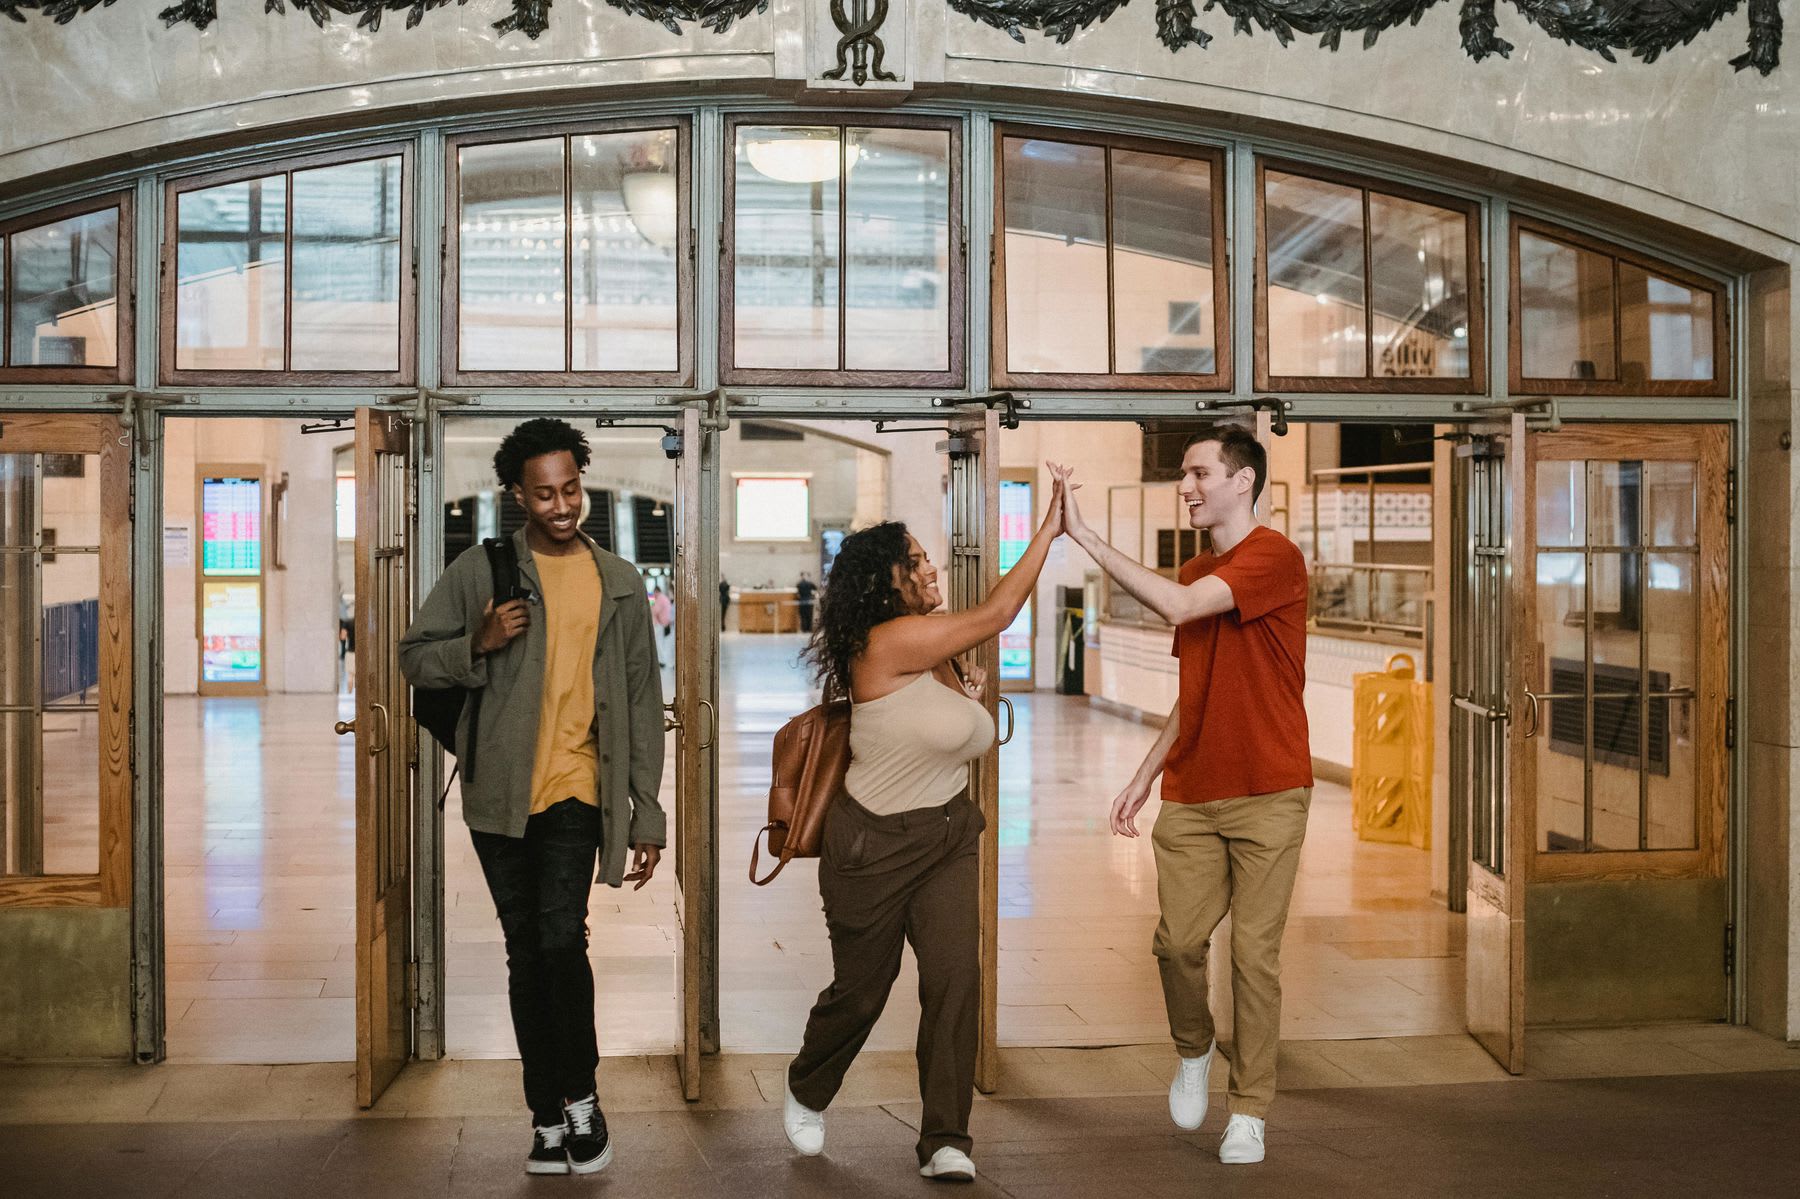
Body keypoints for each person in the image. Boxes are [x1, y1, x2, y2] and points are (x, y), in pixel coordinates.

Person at [399, 418, 666, 1177]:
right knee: (526, 953)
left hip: (579, 789)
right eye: (544, 493)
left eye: (571, 489)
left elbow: (643, 701)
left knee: (559, 939)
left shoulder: (617, 581)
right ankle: (545, 1115)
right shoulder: (481, 570)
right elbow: (414, 656)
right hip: (499, 796)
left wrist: (646, 812)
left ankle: (579, 1096)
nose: (561, 505)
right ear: (517, 493)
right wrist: (475, 643)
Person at [782, 473, 1065, 1184]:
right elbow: (1000, 612)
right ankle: (808, 1085)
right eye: (919, 560)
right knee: (862, 991)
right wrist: (1050, 530)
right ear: (891, 580)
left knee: (953, 978)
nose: (933, 567)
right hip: (869, 847)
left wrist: (962, 700)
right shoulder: (889, 641)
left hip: (942, 838)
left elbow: (946, 729)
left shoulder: (929, 650)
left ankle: (946, 1136)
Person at [1051, 426, 1311, 1168]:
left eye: (1199, 472)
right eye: (1184, 475)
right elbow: (1193, 694)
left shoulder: (1273, 557)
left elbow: (1180, 606)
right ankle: (1194, 1049)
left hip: (1270, 791)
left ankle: (1251, 1107)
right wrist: (1142, 774)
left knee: (1255, 957)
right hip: (1194, 793)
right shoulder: (1202, 566)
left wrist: (1088, 536)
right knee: (1177, 944)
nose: (1187, 485)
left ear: (1244, 480)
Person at [650, 583, 674, 667]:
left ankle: (662, 661)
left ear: (656, 592)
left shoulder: (660, 598)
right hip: (665, 622)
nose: (653, 594)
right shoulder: (663, 597)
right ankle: (661, 660)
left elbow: (654, 610)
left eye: (654, 593)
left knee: (659, 642)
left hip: (661, 623)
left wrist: (651, 602)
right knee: (661, 642)